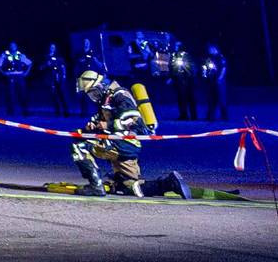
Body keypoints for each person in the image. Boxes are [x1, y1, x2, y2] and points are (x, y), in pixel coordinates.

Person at [72, 69, 190, 198]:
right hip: (124, 146)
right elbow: (102, 118)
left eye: (93, 93)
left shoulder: (119, 95)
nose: (93, 97)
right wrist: (91, 127)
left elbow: (133, 119)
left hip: (122, 143)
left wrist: (107, 125)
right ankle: (169, 183)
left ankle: (96, 186)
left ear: (100, 85)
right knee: (129, 187)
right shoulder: (106, 100)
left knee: (79, 147)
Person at [0, 41, 33, 115]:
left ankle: (25, 111)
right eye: (11, 45)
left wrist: (26, 73)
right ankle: (11, 111)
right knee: (10, 94)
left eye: (14, 45)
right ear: (9, 47)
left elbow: (30, 63)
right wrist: (3, 73)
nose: (13, 47)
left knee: (23, 93)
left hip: (20, 76)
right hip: (10, 76)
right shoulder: (5, 55)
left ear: (16, 46)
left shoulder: (20, 55)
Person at [169, 44, 198, 121]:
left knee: (191, 98)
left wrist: (185, 68)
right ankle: (183, 114)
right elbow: (171, 66)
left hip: (188, 80)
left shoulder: (188, 56)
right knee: (181, 98)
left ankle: (193, 115)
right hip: (179, 80)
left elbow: (191, 68)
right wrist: (172, 77)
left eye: (178, 46)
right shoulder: (174, 56)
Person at [200, 44, 228, 118]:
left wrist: (220, 78)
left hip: (219, 81)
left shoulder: (220, 57)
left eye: (211, 48)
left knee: (221, 98)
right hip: (210, 81)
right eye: (209, 49)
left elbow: (224, 68)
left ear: (215, 49)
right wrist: (204, 74)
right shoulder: (208, 58)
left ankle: (224, 115)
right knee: (211, 98)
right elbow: (204, 67)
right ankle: (210, 116)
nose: (210, 50)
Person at [45, 43, 72, 118]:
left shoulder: (59, 57)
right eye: (51, 47)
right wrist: (46, 65)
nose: (52, 48)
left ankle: (66, 111)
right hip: (51, 79)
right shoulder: (47, 57)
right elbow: (42, 67)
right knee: (54, 95)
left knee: (63, 95)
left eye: (53, 47)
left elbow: (63, 67)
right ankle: (57, 111)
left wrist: (64, 76)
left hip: (59, 78)